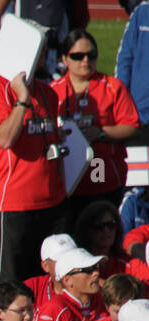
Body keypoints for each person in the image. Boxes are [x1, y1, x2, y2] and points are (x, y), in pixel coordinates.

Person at [0, 64, 67, 283]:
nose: (41, 53)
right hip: (13, 205)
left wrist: (62, 191)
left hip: (52, 204)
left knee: (52, 283)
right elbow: (4, 139)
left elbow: (54, 146)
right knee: (7, 290)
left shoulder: (48, 93)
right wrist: (21, 99)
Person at [52, 30, 139, 218]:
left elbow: (131, 126)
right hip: (65, 176)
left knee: (100, 231)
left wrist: (100, 133)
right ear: (64, 59)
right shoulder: (53, 91)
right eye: (78, 56)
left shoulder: (112, 87)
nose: (85, 61)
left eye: (91, 55)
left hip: (100, 168)